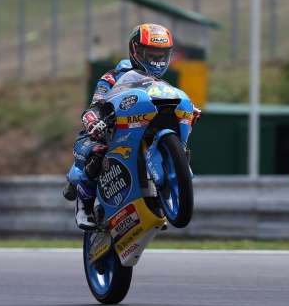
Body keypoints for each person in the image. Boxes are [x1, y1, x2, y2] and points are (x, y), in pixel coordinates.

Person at [64, 23, 200, 230]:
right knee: (97, 150)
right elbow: (96, 103)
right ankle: (84, 206)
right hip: (108, 131)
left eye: (161, 55)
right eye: (151, 54)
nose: (156, 60)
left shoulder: (159, 83)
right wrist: (93, 119)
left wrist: (191, 111)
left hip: (144, 126)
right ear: (136, 50)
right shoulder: (113, 75)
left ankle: (155, 202)